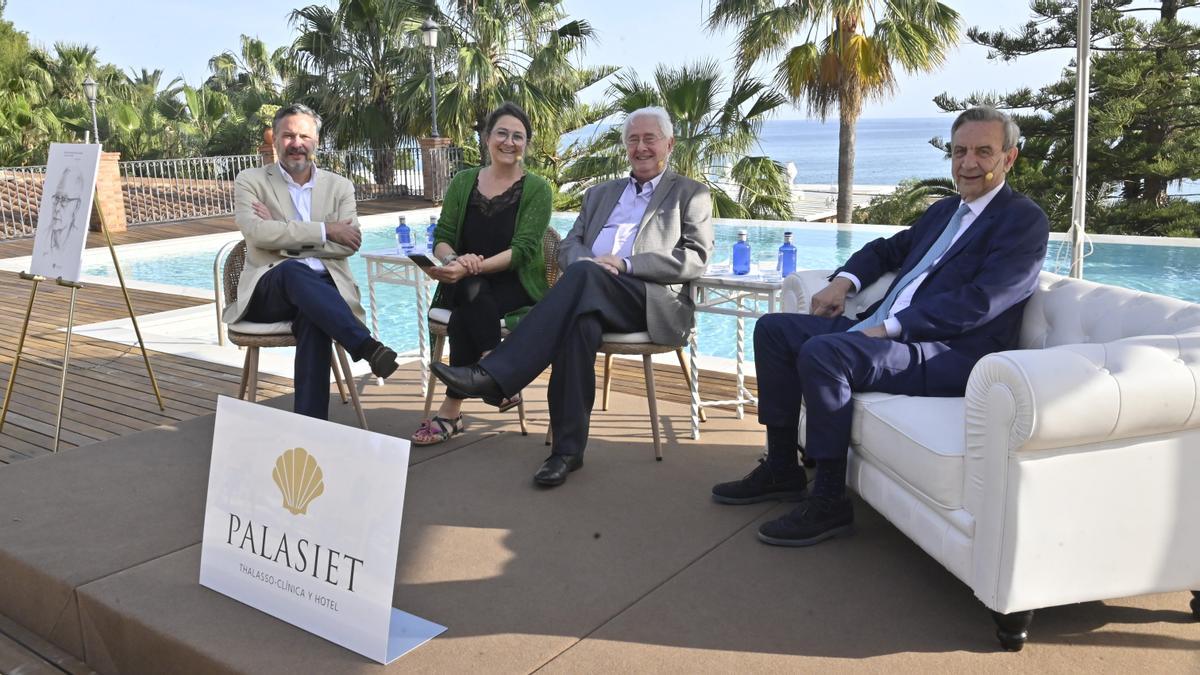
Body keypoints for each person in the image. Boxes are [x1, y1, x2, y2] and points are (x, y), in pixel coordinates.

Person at [711, 106, 1049, 546]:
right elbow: (887, 249)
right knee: (773, 330)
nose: (968, 163)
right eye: (960, 151)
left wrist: (890, 328)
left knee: (823, 353)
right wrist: (842, 282)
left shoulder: (1022, 219)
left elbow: (984, 300)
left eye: (984, 152)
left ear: (1009, 158)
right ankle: (782, 468)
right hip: (883, 332)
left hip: (948, 353)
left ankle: (830, 500)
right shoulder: (947, 211)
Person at [431, 106, 714, 486]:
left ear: (669, 144)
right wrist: (593, 268)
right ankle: (566, 453)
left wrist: (625, 265)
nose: (641, 147)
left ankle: (495, 374)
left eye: (650, 139)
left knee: (583, 278)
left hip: (647, 300)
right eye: (633, 139)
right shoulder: (600, 194)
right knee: (578, 324)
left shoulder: (690, 194)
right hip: (591, 292)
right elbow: (569, 247)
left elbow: (695, 258)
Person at [225, 103, 398, 420]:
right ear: (275, 140)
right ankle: (367, 347)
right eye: (288, 135)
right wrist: (326, 231)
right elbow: (257, 233)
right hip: (270, 289)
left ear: (317, 141)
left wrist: (284, 232)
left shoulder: (339, 187)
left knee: (314, 314)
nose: (296, 143)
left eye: (304, 135)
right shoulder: (250, 180)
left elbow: (350, 245)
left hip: (324, 291)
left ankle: (310, 426)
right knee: (292, 271)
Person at [412, 102, 552, 446]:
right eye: (502, 133)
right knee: (472, 291)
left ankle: (454, 410)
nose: (509, 141)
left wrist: (471, 267)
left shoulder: (538, 189)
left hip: (515, 284)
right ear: (487, 138)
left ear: (526, 144)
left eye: (518, 136)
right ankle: (497, 376)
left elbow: (524, 251)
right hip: (464, 279)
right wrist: (453, 261)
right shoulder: (463, 182)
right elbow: (443, 237)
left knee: (466, 307)